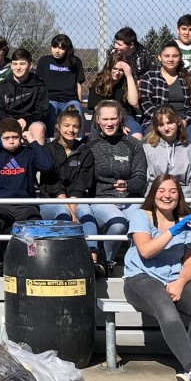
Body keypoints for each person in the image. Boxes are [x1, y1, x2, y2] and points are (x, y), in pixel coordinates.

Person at [122, 175, 191, 381]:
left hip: (175, 278)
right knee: (168, 312)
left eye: (173, 191)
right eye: (162, 190)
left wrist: (181, 282)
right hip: (140, 278)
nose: (167, 195)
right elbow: (146, 250)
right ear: (153, 194)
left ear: (179, 195)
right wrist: (173, 231)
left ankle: (190, 371)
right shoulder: (140, 216)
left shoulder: (187, 219)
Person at [70, 100, 149, 272]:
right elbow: (81, 178)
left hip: (130, 198)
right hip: (101, 198)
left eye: (113, 118)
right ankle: (106, 262)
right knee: (118, 224)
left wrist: (129, 185)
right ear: (97, 120)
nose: (109, 123)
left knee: (141, 222)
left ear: (120, 118)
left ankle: (139, 267)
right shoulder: (88, 144)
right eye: (105, 119)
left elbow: (140, 177)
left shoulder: (133, 144)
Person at [0, 119, 54, 274]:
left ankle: (32, 263)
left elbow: (47, 166)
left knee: (33, 226)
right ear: (0, 138)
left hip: (25, 205)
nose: (11, 141)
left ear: (21, 137)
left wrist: (32, 141)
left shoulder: (28, 153)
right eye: (6, 138)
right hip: (2, 205)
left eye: (15, 137)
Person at [137, 42, 191, 148]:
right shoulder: (149, 77)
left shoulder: (190, 78)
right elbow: (146, 105)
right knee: (151, 141)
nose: (171, 59)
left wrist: (185, 121)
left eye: (175, 56)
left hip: (185, 119)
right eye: (166, 56)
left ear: (180, 57)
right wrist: (164, 121)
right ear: (159, 57)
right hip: (156, 120)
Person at [39, 108, 88, 227]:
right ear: (58, 126)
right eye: (67, 125)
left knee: (87, 215)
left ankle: (91, 246)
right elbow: (52, 183)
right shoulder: (48, 150)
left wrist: (72, 207)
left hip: (77, 200)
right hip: (51, 201)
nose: (71, 130)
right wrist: (70, 210)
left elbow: (81, 182)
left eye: (75, 126)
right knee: (63, 212)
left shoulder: (85, 151)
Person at [0, 47, 50, 143]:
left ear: (30, 65)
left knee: (38, 128)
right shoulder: (1, 86)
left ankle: (38, 157)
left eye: (22, 64)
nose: (18, 68)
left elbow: (42, 111)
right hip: (7, 122)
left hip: (29, 123)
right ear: (11, 66)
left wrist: (26, 120)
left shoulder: (39, 85)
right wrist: (10, 123)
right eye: (15, 64)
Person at [86, 51, 142, 137]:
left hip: (125, 117)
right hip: (103, 117)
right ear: (109, 68)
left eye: (121, 70)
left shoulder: (128, 83)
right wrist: (117, 125)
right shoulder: (98, 85)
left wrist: (129, 76)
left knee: (136, 136)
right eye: (114, 69)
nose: (117, 73)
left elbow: (133, 102)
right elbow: (99, 110)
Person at [143, 106, 191, 193]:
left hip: (184, 199)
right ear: (156, 127)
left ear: (178, 122)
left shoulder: (188, 148)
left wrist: (177, 195)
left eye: (170, 123)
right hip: (158, 198)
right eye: (161, 125)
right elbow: (148, 182)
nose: (166, 128)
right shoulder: (148, 149)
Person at [37, 34, 86, 119]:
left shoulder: (75, 61)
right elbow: (39, 84)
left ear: (67, 49)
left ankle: (79, 133)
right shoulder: (44, 61)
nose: (57, 51)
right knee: (50, 113)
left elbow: (78, 85)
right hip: (51, 99)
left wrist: (79, 102)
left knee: (77, 110)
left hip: (70, 100)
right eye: (54, 47)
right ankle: (49, 133)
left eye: (61, 48)